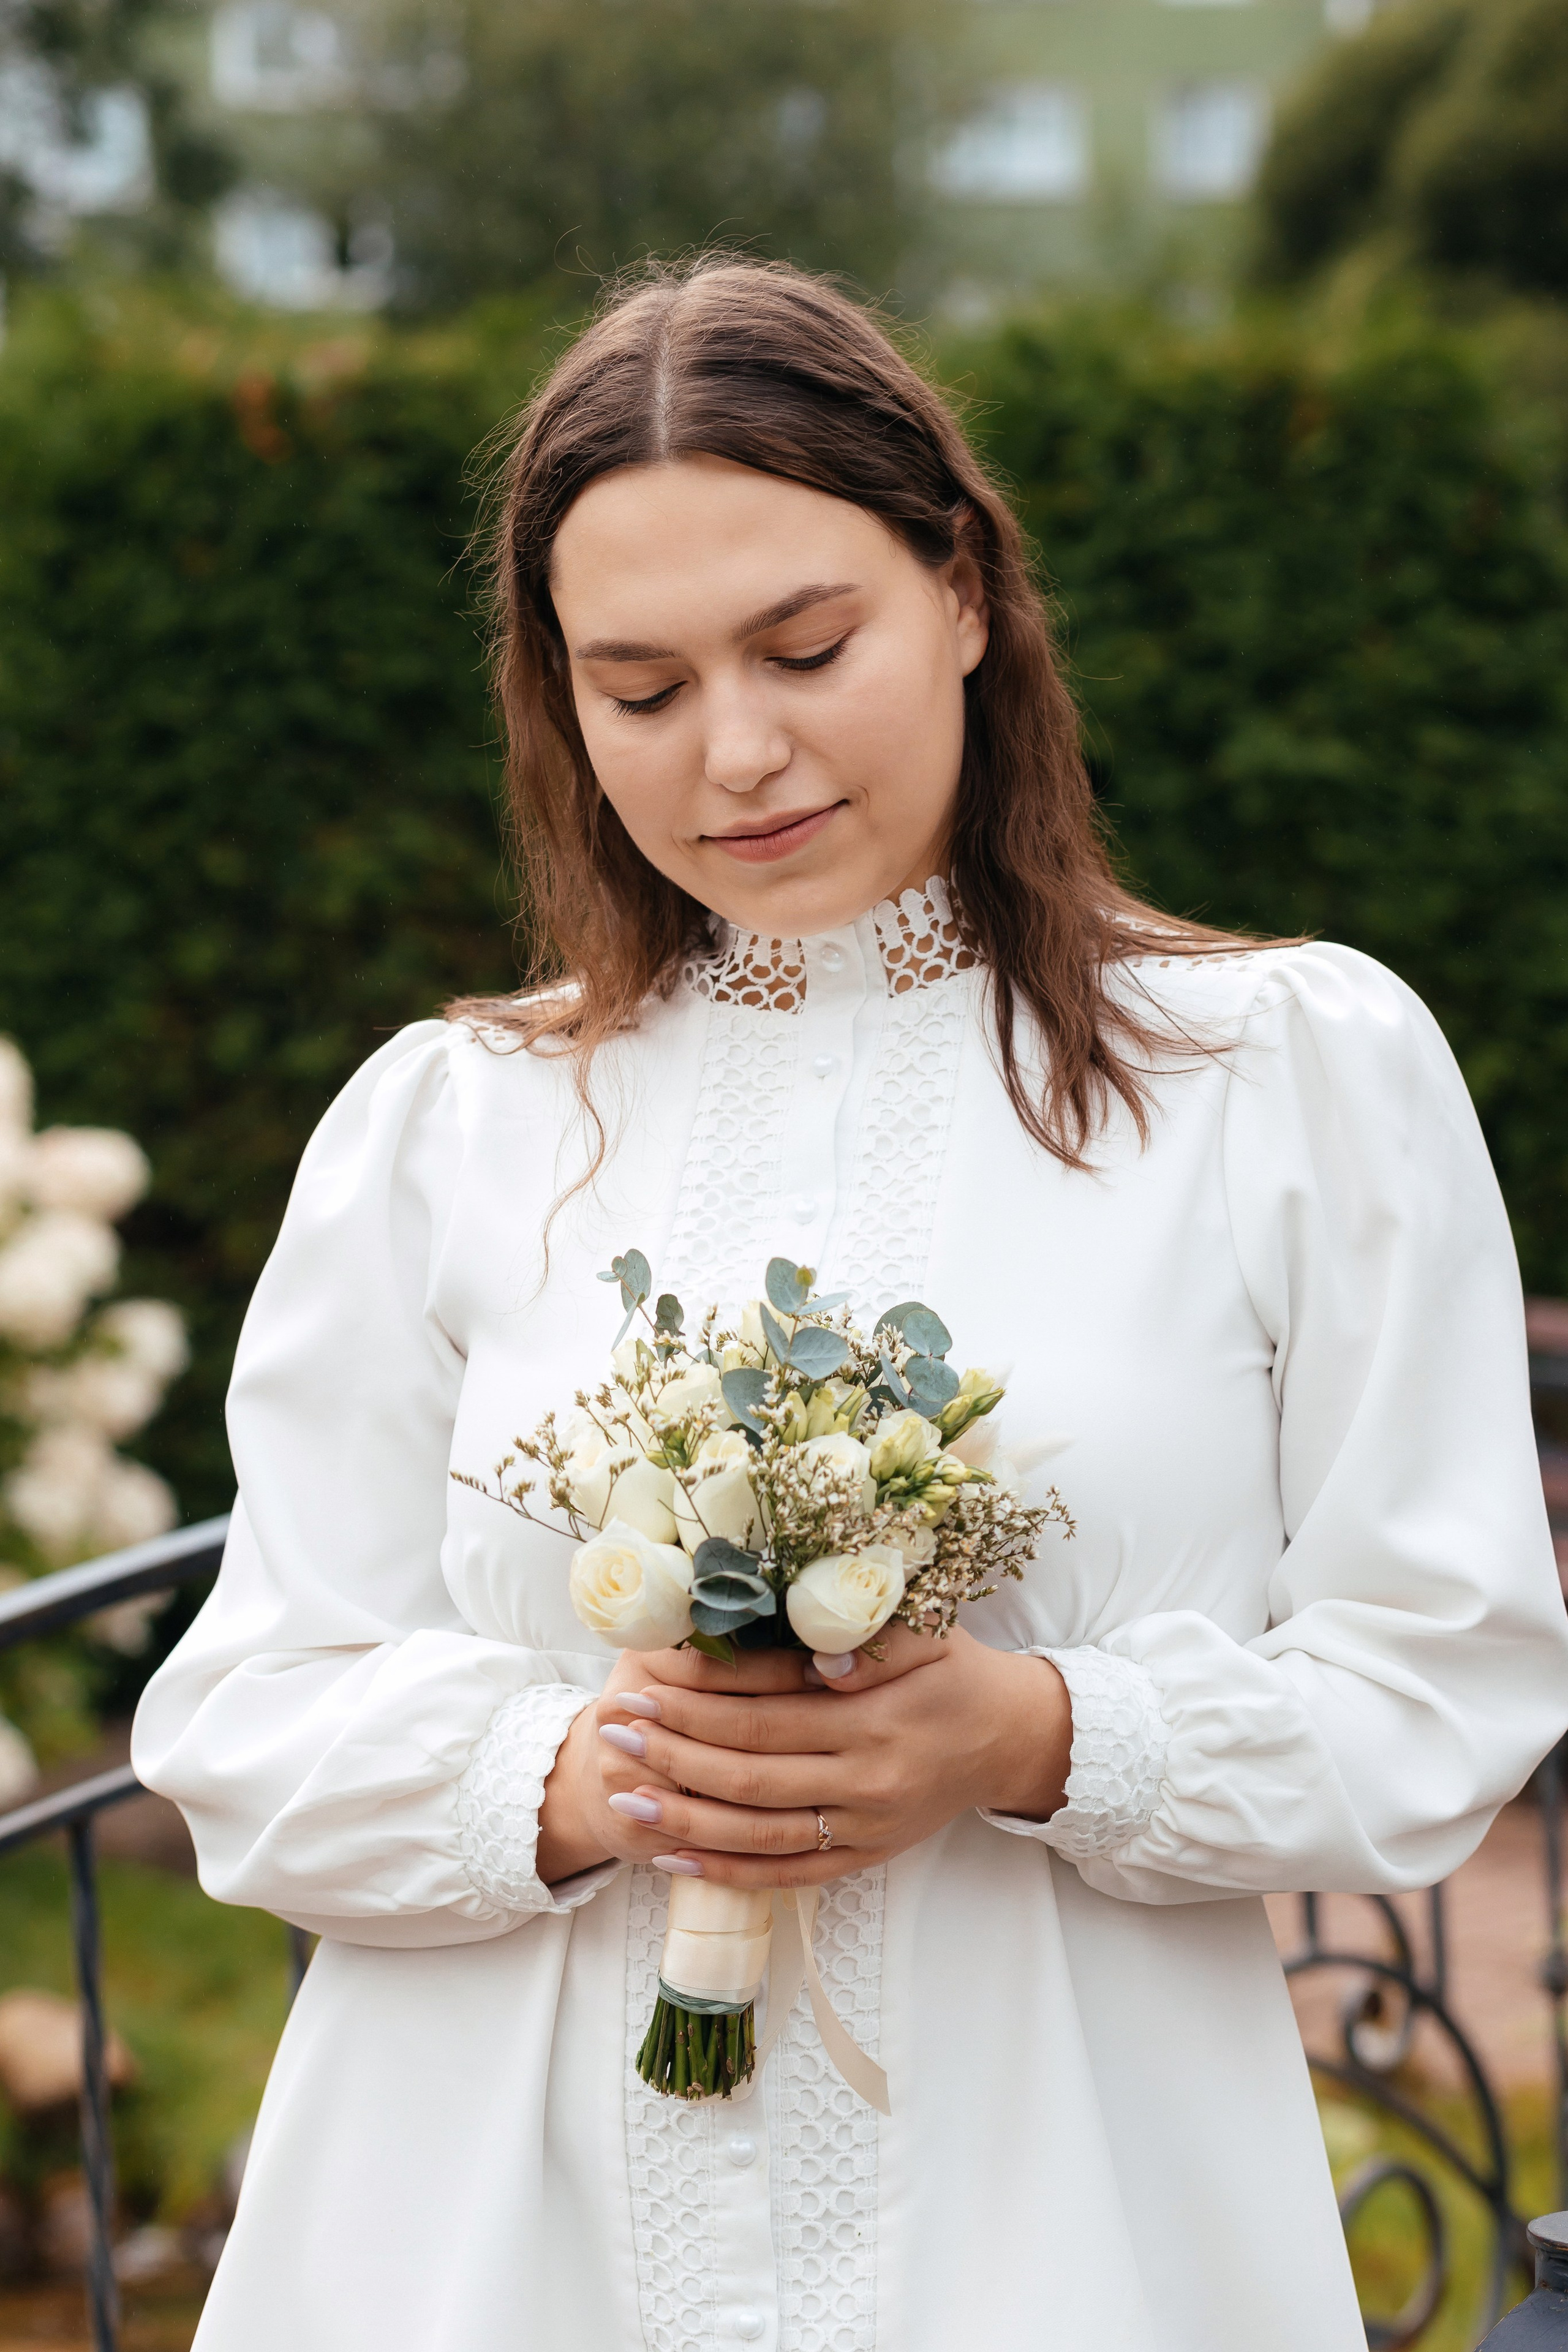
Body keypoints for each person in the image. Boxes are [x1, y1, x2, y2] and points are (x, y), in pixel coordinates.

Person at [133, 256, 1568, 2352]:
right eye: (637, 689)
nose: (738, 753)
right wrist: (585, 1772)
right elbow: (240, 1726)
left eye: (808, 646)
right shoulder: (451, 1122)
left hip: (1072, 2225)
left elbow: (1445, 1690)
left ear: (967, 590)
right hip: (471, 2247)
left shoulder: (1287, 1077)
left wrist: (1031, 1734)